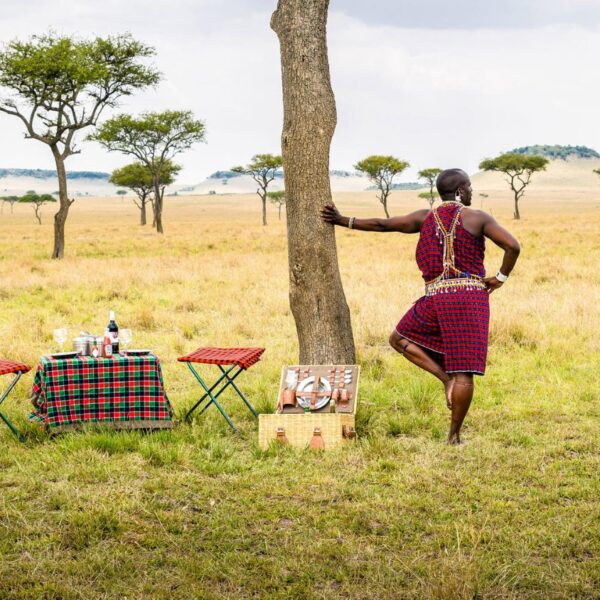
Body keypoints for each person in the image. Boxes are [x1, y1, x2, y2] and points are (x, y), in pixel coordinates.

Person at [321, 168, 520, 444]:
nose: (472, 191)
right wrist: (499, 279)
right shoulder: (478, 217)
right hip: (470, 299)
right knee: (462, 371)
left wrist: (343, 221)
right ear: (461, 191)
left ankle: (445, 379)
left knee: (398, 338)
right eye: (470, 186)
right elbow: (513, 246)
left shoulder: (424, 217)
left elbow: (382, 224)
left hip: (436, 296)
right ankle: (453, 434)